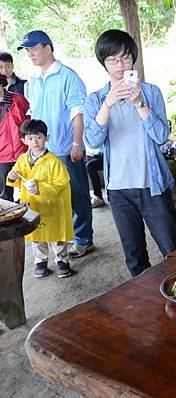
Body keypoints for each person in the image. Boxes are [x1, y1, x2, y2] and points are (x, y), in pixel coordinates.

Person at [84, 29, 176, 277]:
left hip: (152, 185)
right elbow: (93, 142)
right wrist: (108, 104)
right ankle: (146, 307)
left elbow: (161, 136)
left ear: (133, 60)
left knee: (174, 251)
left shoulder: (150, 92)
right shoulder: (96, 100)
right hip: (118, 190)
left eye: (125, 58)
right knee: (135, 256)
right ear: (103, 63)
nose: (120, 65)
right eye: (112, 60)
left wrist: (140, 103)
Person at [18, 30, 94, 258]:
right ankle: (59, 243)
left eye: (33, 48)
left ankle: (83, 239)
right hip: (41, 151)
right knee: (50, 197)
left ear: (48, 48)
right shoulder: (34, 81)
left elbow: (77, 112)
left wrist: (77, 143)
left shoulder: (68, 76)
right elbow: (33, 116)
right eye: (27, 50)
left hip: (64, 148)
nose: (30, 54)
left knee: (77, 194)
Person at [6, 119, 74, 278]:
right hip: (33, 204)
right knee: (37, 234)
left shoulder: (53, 161)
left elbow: (62, 182)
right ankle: (40, 262)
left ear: (46, 137)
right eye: (30, 138)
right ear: (24, 140)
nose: (35, 142)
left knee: (56, 234)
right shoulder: (22, 159)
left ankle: (62, 261)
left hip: (53, 206)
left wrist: (41, 188)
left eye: (38, 137)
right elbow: (17, 178)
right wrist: (12, 176)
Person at [0, 73, 29, 201]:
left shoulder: (18, 99)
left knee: (30, 190)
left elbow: (30, 120)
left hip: (23, 152)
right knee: (5, 195)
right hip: (2, 157)